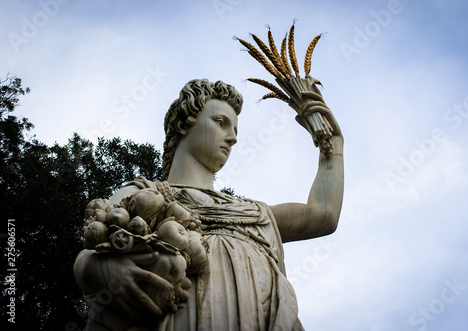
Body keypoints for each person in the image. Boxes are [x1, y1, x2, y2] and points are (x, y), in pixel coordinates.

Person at [74, 78, 344, 330]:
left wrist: (332, 147)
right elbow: (91, 249)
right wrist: (105, 270)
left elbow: (323, 216)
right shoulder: (145, 194)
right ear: (185, 123)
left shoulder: (253, 213)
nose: (233, 137)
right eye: (220, 122)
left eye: (235, 129)